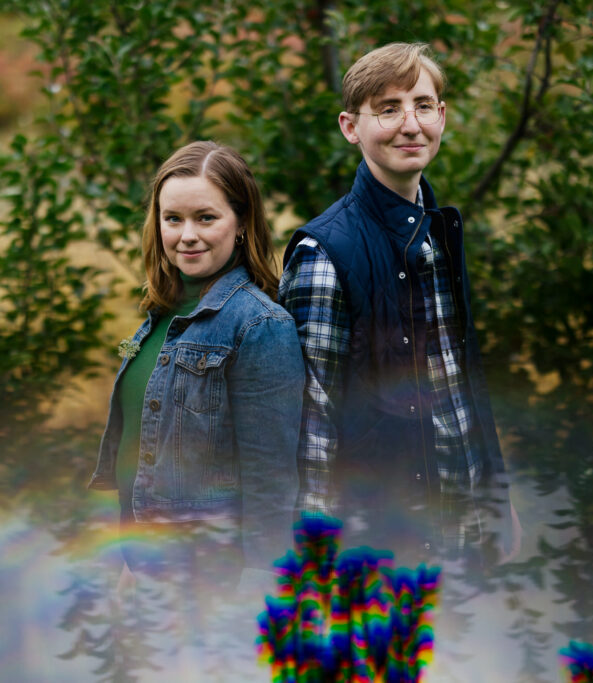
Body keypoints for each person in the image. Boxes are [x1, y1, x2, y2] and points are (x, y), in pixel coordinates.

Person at [279, 43, 520, 566]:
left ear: (442, 117)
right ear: (350, 126)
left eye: (423, 104)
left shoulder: (438, 234)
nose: (410, 123)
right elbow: (312, 419)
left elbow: (458, 379)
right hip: (379, 540)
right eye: (388, 108)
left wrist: (497, 497)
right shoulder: (323, 255)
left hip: (461, 526)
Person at [87, 141, 304, 639]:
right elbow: (144, 451)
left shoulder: (259, 325)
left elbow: (272, 476)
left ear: (241, 221)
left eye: (206, 218)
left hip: (215, 579)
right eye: (172, 219)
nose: (186, 236)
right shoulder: (161, 315)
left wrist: (261, 583)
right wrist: (130, 562)